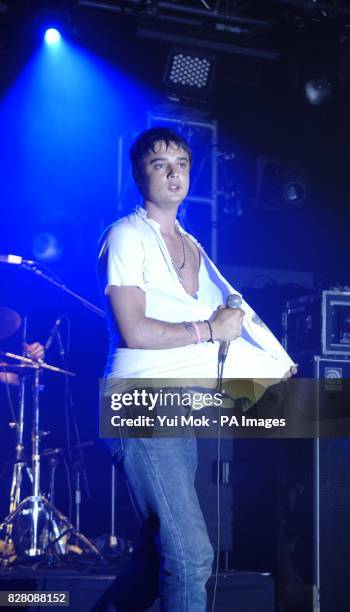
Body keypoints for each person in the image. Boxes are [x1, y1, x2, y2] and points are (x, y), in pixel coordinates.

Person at [97, 127, 296, 611]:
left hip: (180, 406)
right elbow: (136, 332)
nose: (173, 173)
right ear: (138, 174)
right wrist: (209, 328)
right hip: (140, 403)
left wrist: (269, 365)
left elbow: (229, 326)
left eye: (182, 163)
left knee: (156, 557)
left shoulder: (193, 245)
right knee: (191, 555)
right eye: (160, 163)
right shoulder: (126, 235)